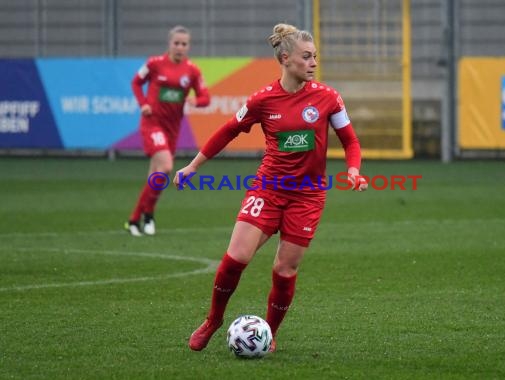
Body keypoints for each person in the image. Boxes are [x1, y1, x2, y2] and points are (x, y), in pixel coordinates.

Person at [174, 23, 367, 353]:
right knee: (236, 257)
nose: (313, 63)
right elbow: (228, 131)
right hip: (268, 188)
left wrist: (353, 170)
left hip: (307, 196)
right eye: (307, 57)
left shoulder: (328, 98)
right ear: (285, 58)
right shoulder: (263, 99)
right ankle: (213, 320)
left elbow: (350, 140)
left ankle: (270, 333)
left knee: (284, 269)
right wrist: (193, 166)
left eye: (315, 57)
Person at [125, 25, 211, 236]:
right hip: (152, 123)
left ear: (188, 46)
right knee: (165, 167)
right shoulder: (154, 64)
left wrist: (195, 100)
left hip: (173, 128)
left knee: (156, 176)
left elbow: (206, 98)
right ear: (169, 44)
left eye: (184, 44)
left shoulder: (192, 70)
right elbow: (136, 82)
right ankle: (141, 219)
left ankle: (140, 218)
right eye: (176, 43)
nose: (180, 47)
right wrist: (143, 103)